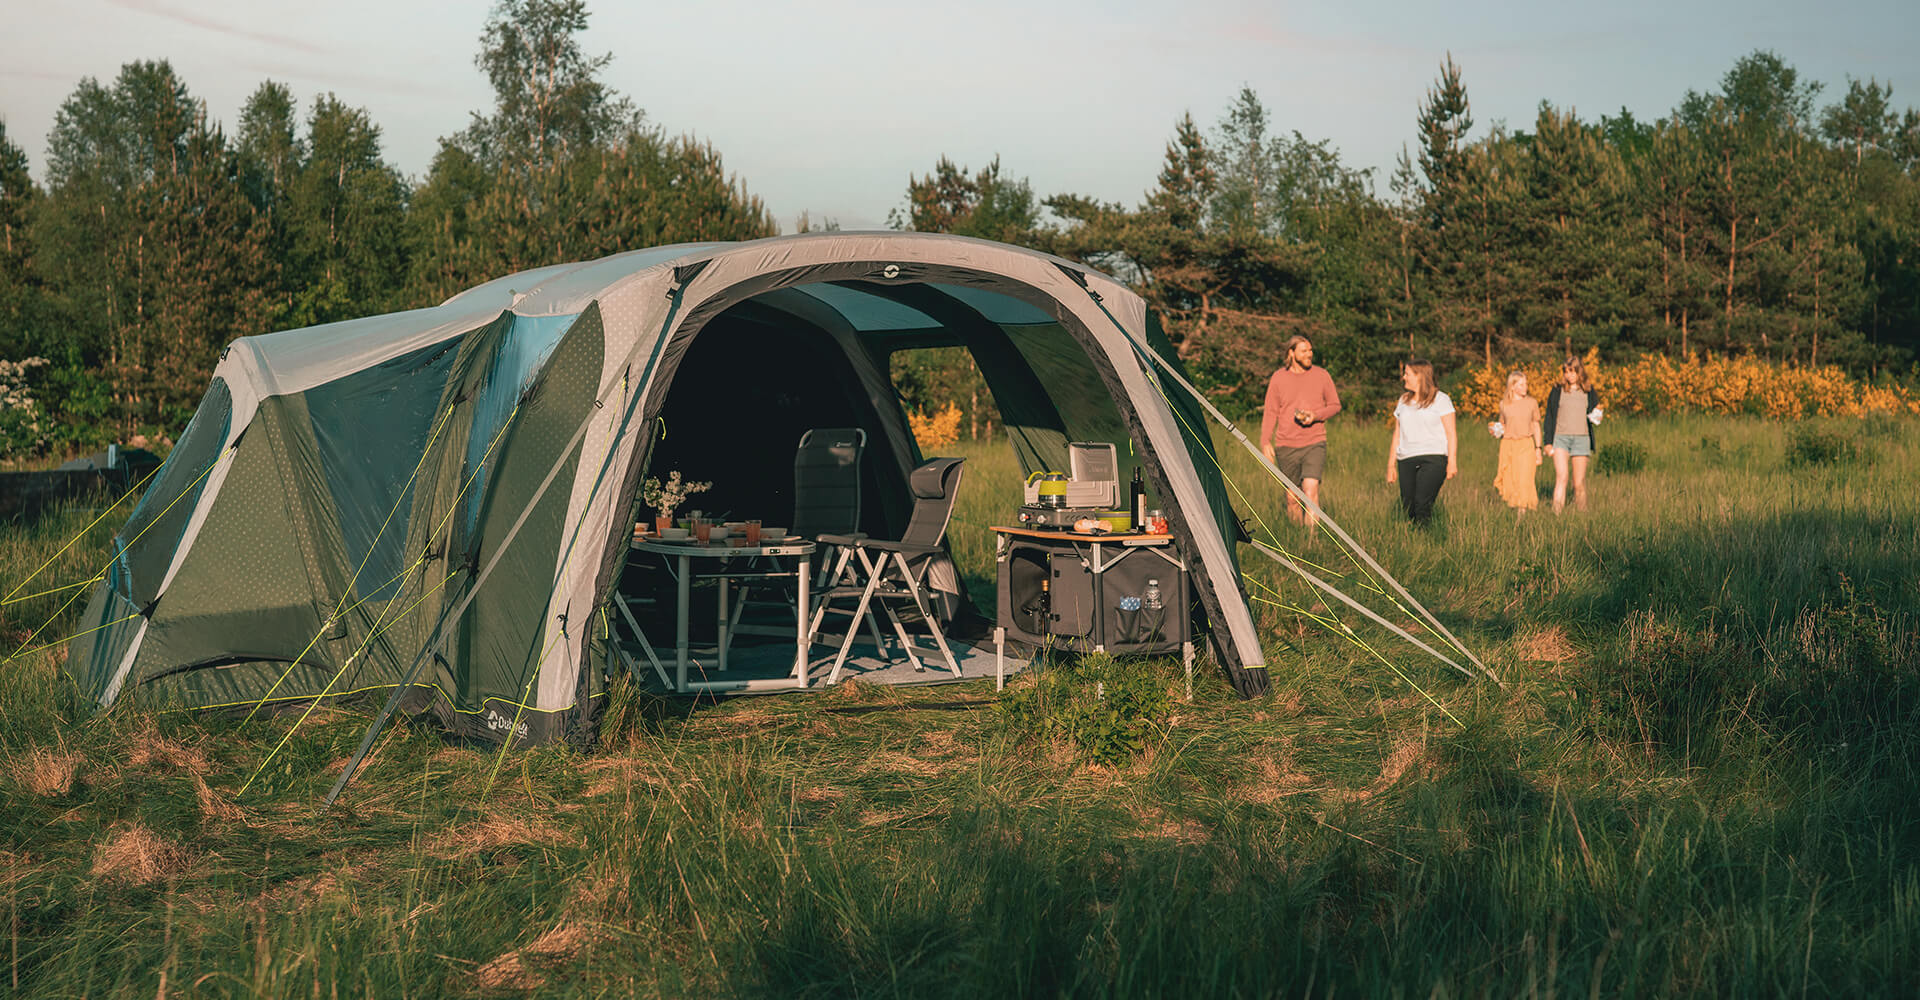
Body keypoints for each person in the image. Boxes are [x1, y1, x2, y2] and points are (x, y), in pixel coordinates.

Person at [1258, 335, 1343, 527]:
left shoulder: (1321, 375)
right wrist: (1265, 441)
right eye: (1304, 351)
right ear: (1292, 353)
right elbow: (1271, 411)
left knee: (1311, 490)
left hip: (1314, 441)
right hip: (1286, 444)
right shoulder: (1278, 377)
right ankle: (1298, 542)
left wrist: (1316, 415)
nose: (1309, 354)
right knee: (1292, 497)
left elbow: (1335, 405)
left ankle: (1312, 542)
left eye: (1310, 350)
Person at [1385, 358, 1455, 525]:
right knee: (1408, 506)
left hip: (1434, 458)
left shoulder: (1441, 399)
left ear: (1419, 376)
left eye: (1407, 374)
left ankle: (1427, 541)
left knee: (1422, 503)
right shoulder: (1403, 401)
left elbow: (1451, 433)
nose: (1404, 377)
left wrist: (1452, 461)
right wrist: (1390, 466)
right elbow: (1397, 434)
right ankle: (1415, 542)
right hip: (1406, 458)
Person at [1541, 355, 1602, 513]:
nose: (1569, 375)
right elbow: (1549, 416)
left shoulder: (1588, 390)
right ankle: (1556, 514)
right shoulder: (1557, 390)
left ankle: (1582, 515)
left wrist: (1598, 415)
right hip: (1560, 439)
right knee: (1562, 477)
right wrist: (1547, 442)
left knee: (1578, 483)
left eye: (1572, 372)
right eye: (1566, 372)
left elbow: (1597, 411)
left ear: (1579, 372)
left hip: (1581, 440)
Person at [1490, 370, 1542, 514]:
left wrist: (1538, 449)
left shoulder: (1532, 403)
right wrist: (1496, 430)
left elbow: (1536, 425)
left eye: (1526, 384)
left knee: (1525, 478)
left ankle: (1522, 514)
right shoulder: (1504, 404)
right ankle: (1514, 508)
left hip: (1526, 444)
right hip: (1508, 445)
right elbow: (1502, 425)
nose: (1525, 387)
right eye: (1521, 384)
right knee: (1510, 479)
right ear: (1512, 386)